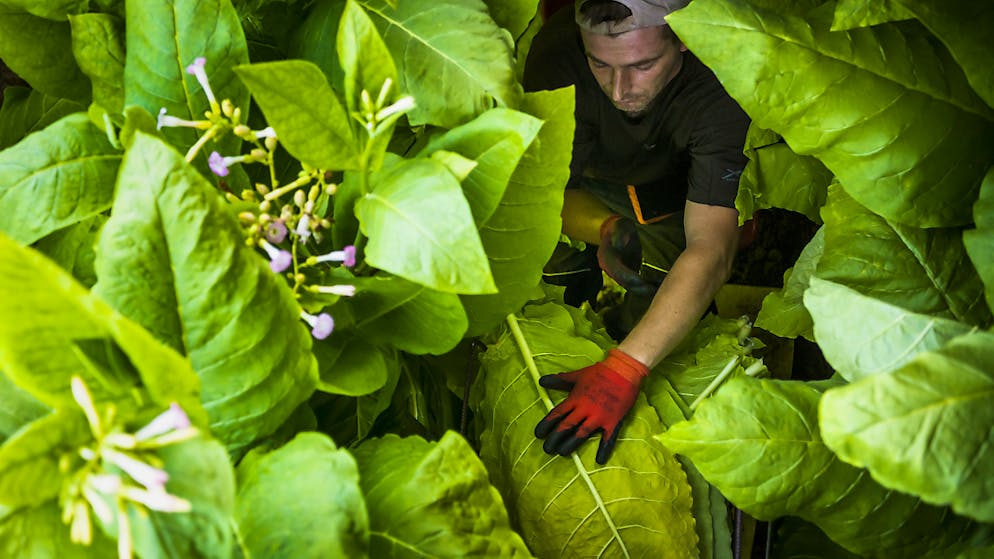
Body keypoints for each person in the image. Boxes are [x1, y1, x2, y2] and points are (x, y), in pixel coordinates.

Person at [524, 0, 750, 464]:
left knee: (667, 282)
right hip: (588, 181)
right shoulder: (556, 57)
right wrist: (603, 227)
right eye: (600, 65)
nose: (620, 89)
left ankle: (629, 344)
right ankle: (582, 313)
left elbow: (712, 247)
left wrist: (624, 369)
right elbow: (544, 193)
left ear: (684, 39)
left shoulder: (722, 85)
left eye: (642, 65)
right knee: (546, 264)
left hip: (680, 190)